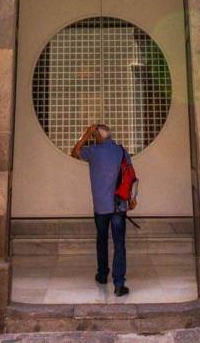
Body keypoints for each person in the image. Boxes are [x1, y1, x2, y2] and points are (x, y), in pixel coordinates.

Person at [71, 123, 134, 296]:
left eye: (94, 135)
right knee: (119, 244)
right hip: (119, 206)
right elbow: (131, 176)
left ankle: (102, 275)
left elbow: (75, 152)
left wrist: (86, 135)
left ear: (98, 137)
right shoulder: (121, 150)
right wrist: (132, 199)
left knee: (102, 240)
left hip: (101, 207)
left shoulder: (93, 152)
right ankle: (119, 284)